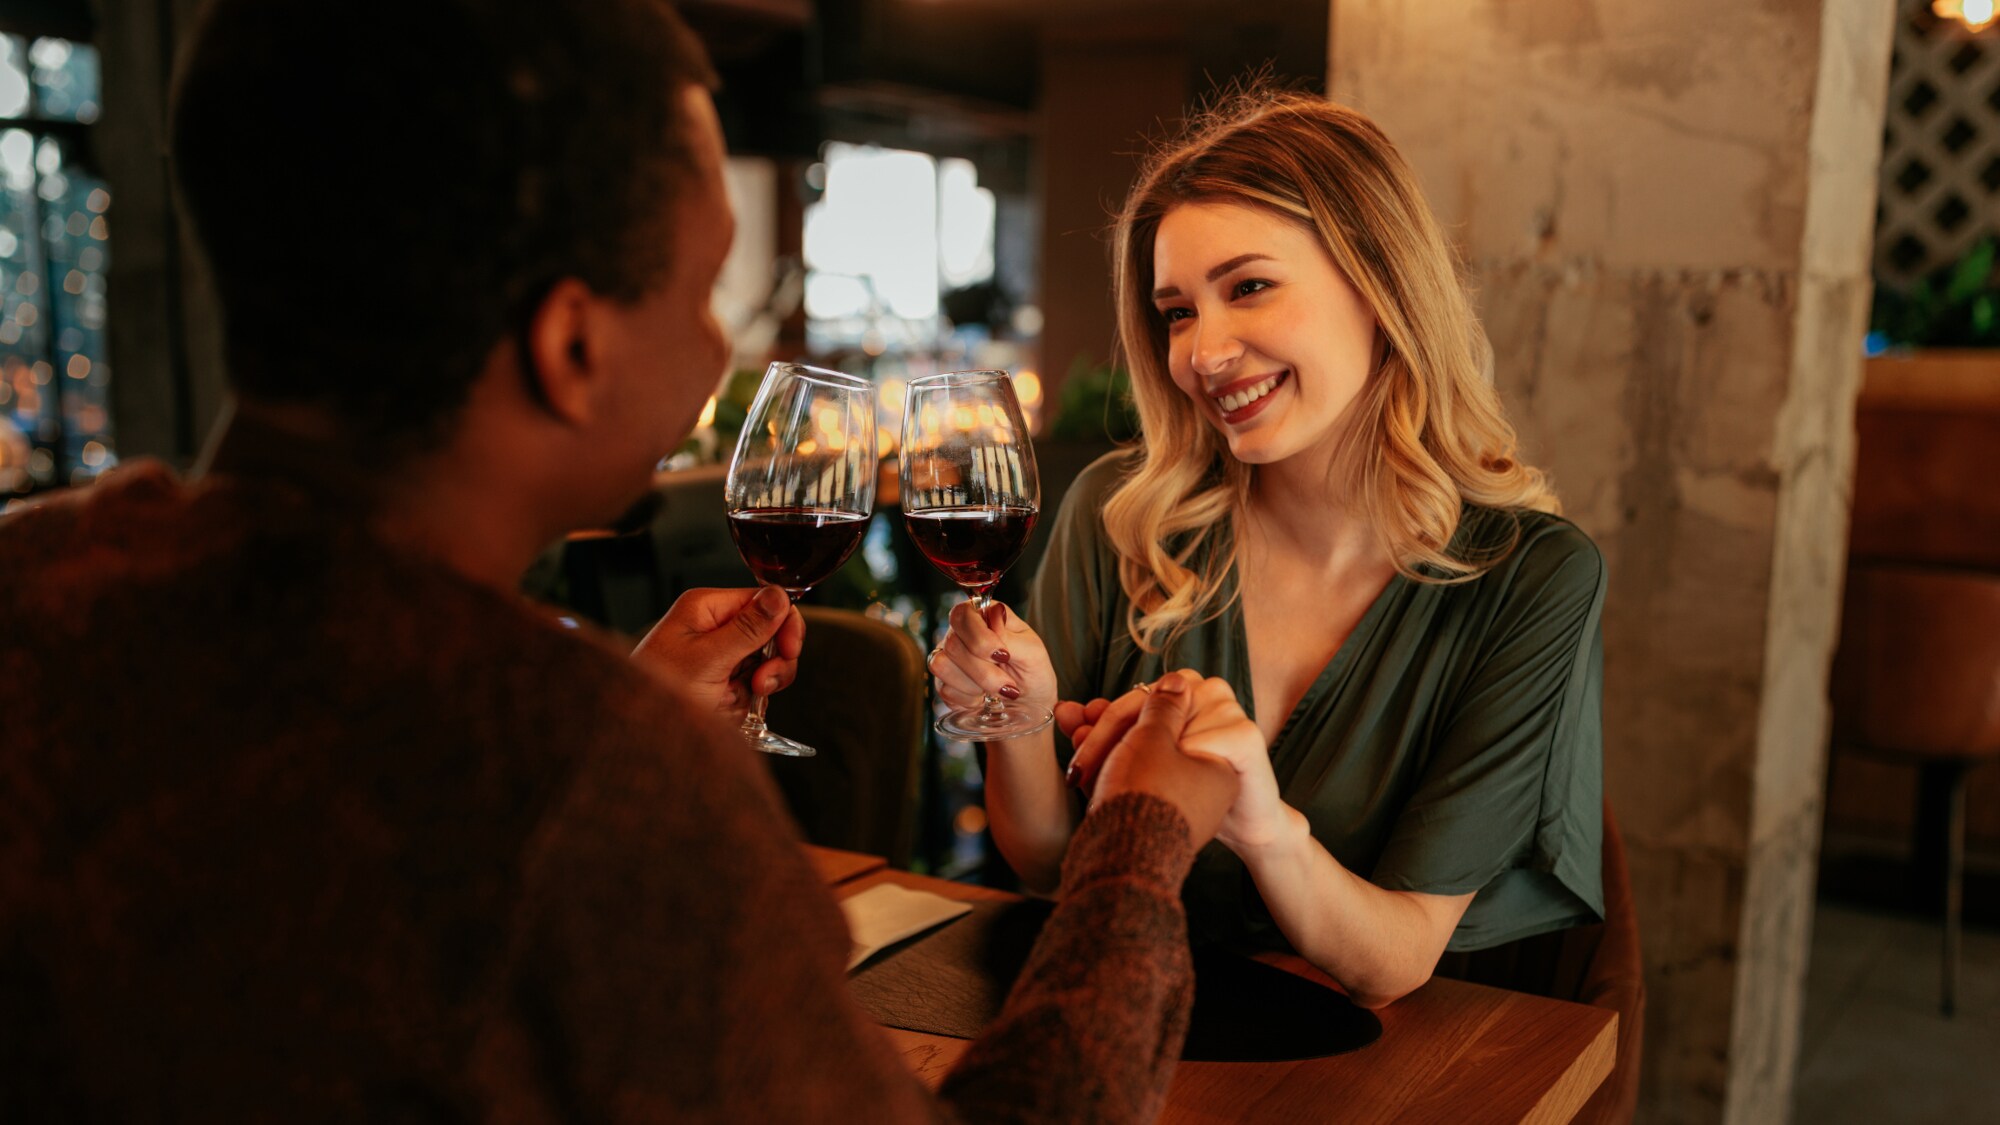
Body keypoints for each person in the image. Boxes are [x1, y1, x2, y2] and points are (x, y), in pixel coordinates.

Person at [0, 1, 1241, 1120]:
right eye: (705, 291)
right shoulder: (584, 783)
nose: (717, 351)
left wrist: (622, 709)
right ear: (571, 346)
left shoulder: (36, 588)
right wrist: (1136, 839)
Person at [929, 90, 1608, 1009]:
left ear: (1381, 285)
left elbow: (1398, 954)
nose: (1203, 353)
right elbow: (1049, 865)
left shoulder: (1533, 578)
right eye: (1176, 311)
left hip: (1375, 1072)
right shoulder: (1120, 519)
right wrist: (1017, 715)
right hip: (1123, 1027)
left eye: (1248, 286)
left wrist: (1261, 822)